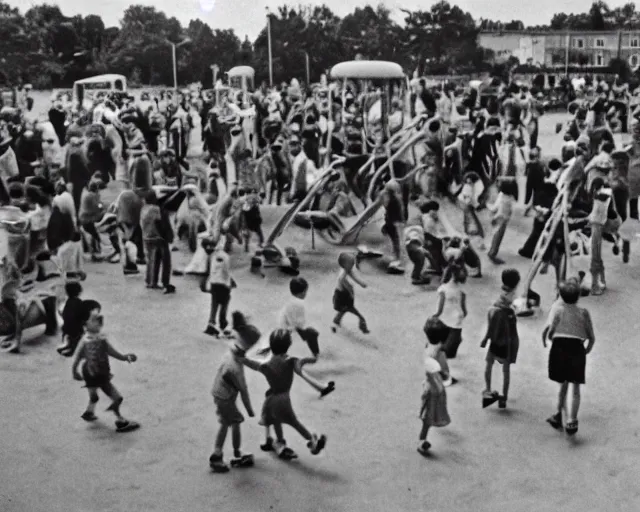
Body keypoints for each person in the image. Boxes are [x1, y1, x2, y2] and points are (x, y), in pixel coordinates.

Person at [239, 329, 327, 460]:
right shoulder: (290, 361)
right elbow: (301, 362)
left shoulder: (267, 365)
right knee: (294, 422)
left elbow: (253, 364)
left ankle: (271, 440)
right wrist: (313, 358)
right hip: (283, 398)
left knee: (273, 419)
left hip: (271, 398)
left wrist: (241, 358)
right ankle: (312, 443)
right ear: (288, 346)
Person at [71, 300, 140, 433]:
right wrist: (124, 357)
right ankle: (120, 421)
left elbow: (79, 357)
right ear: (85, 324)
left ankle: (89, 411)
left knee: (94, 395)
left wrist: (74, 370)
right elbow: (109, 352)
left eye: (99, 318)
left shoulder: (86, 340)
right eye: (95, 319)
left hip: (89, 372)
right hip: (99, 374)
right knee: (117, 398)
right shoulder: (97, 340)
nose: (100, 321)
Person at [209, 311, 261, 473]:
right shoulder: (236, 369)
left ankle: (218, 453)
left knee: (225, 423)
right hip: (226, 398)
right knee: (236, 421)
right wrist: (250, 410)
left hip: (219, 392)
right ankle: (236, 454)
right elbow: (243, 390)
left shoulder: (232, 351)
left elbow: (242, 354)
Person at [543, 280, 596, 436]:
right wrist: (585, 350)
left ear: (561, 295)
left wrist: (553, 341)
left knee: (563, 386)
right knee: (576, 387)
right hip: (577, 349)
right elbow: (591, 337)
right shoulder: (584, 312)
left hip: (560, 348)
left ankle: (559, 415)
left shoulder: (559, 311)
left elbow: (551, 333)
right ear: (578, 296)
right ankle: (572, 419)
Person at [480, 268, 521, 409]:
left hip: (495, 340)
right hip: (507, 341)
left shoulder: (496, 307)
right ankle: (504, 397)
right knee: (506, 369)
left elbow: (491, 325)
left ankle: (488, 389)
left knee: (489, 363)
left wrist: (486, 338)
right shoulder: (511, 305)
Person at [433, 260, 467, 362]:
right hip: (457, 320)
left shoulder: (443, 289)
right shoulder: (462, 290)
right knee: (452, 344)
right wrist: (462, 314)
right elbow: (464, 310)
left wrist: (435, 315)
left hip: (445, 318)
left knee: (445, 344)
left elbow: (440, 309)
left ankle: (439, 363)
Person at [201, 239, 235, 337]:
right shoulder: (223, 256)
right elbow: (227, 272)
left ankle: (212, 324)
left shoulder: (213, 256)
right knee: (223, 304)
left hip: (216, 283)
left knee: (215, 303)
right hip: (222, 284)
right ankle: (222, 324)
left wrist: (204, 283)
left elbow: (209, 271)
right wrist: (229, 283)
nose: (206, 250)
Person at [418, 355, 451, 456]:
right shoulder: (435, 384)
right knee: (426, 426)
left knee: (426, 426)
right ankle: (421, 442)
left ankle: (422, 441)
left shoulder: (430, 383)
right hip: (430, 408)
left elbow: (424, 397)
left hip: (430, 408)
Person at [331, 252, 369, 334]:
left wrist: (361, 283)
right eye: (351, 263)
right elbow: (341, 279)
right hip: (342, 296)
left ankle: (335, 323)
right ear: (344, 265)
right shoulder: (343, 272)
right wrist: (349, 288)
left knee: (344, 310)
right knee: (347, 309)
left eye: (353, 263)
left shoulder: (347, 269)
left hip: (345, 295)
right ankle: (362, 323)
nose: (353, 264)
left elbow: (354, 276)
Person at [487, 179, 518, 265]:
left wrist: (490, 209)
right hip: (501, 220)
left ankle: (492, 252)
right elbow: (502, 212)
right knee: (498, 237)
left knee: (495, 236)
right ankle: (492, 253)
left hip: (497, 218)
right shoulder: (508, 199)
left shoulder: (501, 195)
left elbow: (495, 207)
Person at [57, 281, 85, 357]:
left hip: (66, 326)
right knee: (77, 339)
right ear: (79, 292)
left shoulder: (68, 301)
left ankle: (67, 346)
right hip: (75, 328)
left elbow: (64, 313)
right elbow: (82, 314)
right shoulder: (79, 302)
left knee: (71, 339)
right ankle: (71, 351)